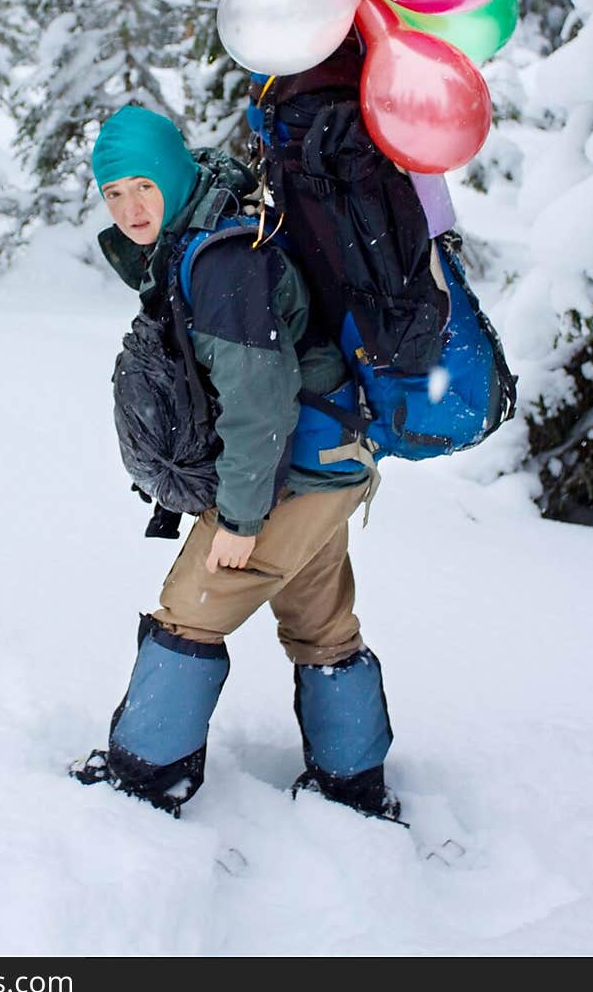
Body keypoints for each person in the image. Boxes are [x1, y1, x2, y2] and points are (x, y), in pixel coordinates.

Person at [70, 102, 398, 820]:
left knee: (189, 613)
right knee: (322, 626)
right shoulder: (213, 229)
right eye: (113, 193)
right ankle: (353, 786)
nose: (129, 207)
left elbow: (259, 396)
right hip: (328, 460)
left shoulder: (222, 261)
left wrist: (244, 518)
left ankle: (144, 782)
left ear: (174, 175)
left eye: (143, 186)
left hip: (291, 473)